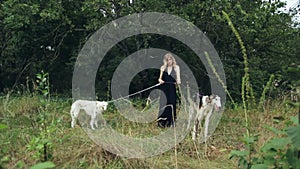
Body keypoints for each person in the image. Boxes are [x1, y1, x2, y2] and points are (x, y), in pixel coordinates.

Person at [157, 53, 181, 128]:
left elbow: (178, 79)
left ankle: (171, 122)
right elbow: (159, 78)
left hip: (172, 87)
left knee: (172, 103)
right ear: (165, 61)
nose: (169, 61)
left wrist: (178, 81)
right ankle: (161, 123)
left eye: (170, 59)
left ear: (172, 59)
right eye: (167, 60)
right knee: (163, 103)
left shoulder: (176, 67)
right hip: (164, 87)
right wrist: (160, 80)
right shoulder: (163, 68)